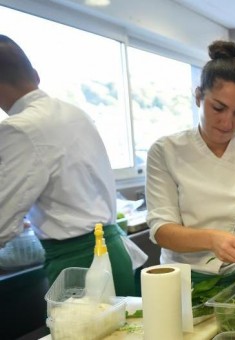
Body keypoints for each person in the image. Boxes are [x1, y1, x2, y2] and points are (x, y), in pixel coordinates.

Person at [145, 40, 235, 286]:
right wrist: (212, 239)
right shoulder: (166, 151)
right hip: (183, 281)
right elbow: (162, 230)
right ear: (198, 97)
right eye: (218, 108)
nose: (227, 122)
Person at [0, 34, 139, 296]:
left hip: (79, 263)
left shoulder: (19, 128)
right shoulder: (74, 113)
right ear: (36, 75)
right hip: (112, 252)